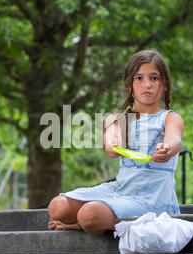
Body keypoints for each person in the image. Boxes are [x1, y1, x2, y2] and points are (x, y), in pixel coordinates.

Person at [48, 50, 184, 235]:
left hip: (152, 196)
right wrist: (112, 143)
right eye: (139, 78)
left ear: (165, 85)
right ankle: (88, 221)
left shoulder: (170, 118)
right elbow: (111, 141)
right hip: (120, 190)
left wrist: (167, 148)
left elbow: (174, 139)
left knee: (88, 214)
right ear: (129, 85)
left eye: (154, 78)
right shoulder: (116, 119)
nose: (147, 84)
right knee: (57, 207)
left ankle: (82, 223)